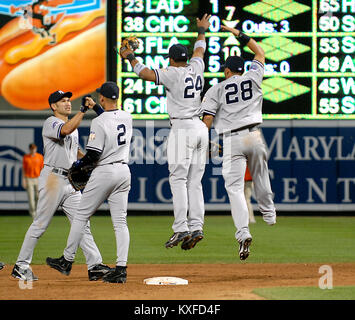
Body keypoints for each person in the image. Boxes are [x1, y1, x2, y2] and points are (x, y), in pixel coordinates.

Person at [120, 14, 211, 251]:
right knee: (195, 182)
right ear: (186, 58)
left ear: (171, 59)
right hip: (201, 128)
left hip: (183, 128)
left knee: (178, 179)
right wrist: (201, 30)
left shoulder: (173, 72)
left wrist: (129, 56)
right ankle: (197, 226)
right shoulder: (196, 67)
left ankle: (181, 227)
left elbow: (145, 73)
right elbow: (200, 50)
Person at [11, 90, 111, 282]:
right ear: (53, 106)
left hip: (70, 182)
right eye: (62, 101)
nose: (67, 103)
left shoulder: (72, 126)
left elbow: (77, 152)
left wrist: (94, 160)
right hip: (53, 179)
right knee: (40, 224)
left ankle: (95, 265)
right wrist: (82, 111)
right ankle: (21, 265)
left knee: (82, 223)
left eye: (68, 100)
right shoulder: (51, 122)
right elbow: (64, 130)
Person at [202, 25, 276, 261]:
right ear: (242, 70)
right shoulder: (253, 76)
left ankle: (243, 232)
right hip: (253, 134)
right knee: (260, 175)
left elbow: (208, 120)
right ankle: (269, 213)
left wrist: (205, 142)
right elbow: (260, 53)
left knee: (234, 189)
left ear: (226, 71)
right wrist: (238, 34)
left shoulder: (216, 88)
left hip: (231, 139)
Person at [46, 81, 132, 283]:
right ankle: (121, 269)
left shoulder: (99, 123)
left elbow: (93, 154)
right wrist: (97, 108)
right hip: (124, 171)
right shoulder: (127, 117)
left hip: (105, 171)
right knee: (120, 222)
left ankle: (66, 260)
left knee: (81, 216)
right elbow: (109, 118)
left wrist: (79, 165)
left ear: (102, 97)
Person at [22, 143, 44, 219]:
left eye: (34, 148)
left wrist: (43, 179)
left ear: (36, 149)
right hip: (29, 179)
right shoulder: (26, 157)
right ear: (30, 149)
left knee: (38, 196)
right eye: (32, 148)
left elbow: (42, 169)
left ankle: (38, 212)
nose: (33, 150)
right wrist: (24, 180)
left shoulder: (40, 157)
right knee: (31, 198)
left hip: (38, 178)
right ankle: (33, 214)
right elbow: (24, 169)